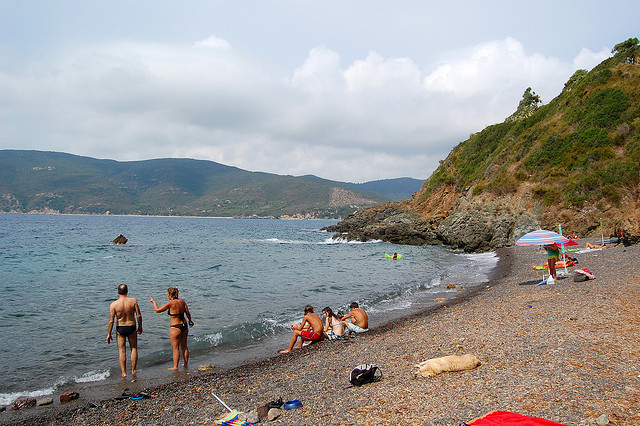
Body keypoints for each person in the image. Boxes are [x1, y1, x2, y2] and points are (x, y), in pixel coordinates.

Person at [150, 287, 194, 370]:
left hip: (175, 327)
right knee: (184, 347)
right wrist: (190, 321)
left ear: (170, 295)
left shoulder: (170, 304)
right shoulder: (182, 301)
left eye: (168, 295)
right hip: (184, 325)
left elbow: (157, 310)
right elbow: (187, 313)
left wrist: (154, 302)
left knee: (175, 348)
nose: (167, 296)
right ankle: (185, 364)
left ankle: (175, 366)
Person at [107, 284, 143, 378]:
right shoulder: (133, 301)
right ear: (127, 292)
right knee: (134, 348)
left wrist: (109, 334)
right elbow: (139, 315)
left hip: (121, 328)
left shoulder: (114, 304)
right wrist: (140, 326)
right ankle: (133, 370)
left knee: (121, 351)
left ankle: (124, 373)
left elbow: (111, 321)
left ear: (117, 292)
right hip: (131, 326)